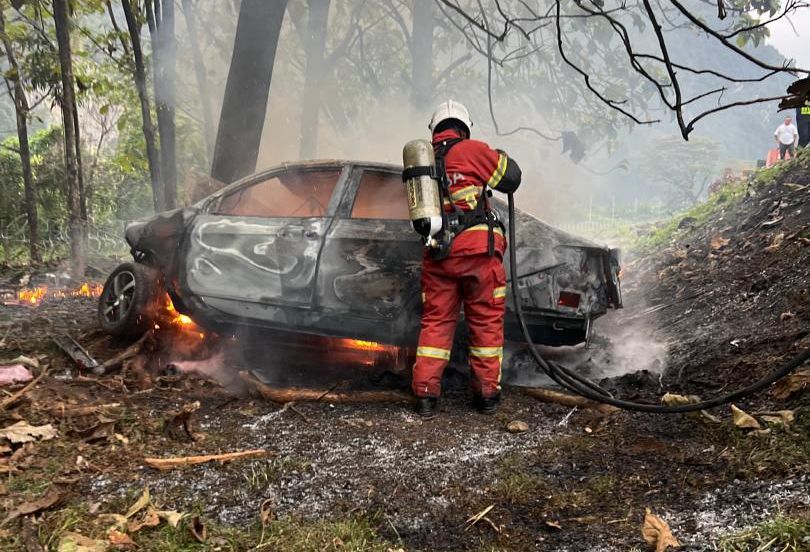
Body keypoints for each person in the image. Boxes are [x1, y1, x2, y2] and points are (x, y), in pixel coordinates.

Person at [412, 100, 522, 418]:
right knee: (485, 322)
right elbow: (511, 177)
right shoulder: (472, 151)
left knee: (436, 324)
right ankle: (486, 396)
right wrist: (496, 156)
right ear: (463, 127)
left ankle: (425, 396)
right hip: (478, 255)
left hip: (438, 255)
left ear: (435, 130)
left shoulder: (423, 160)